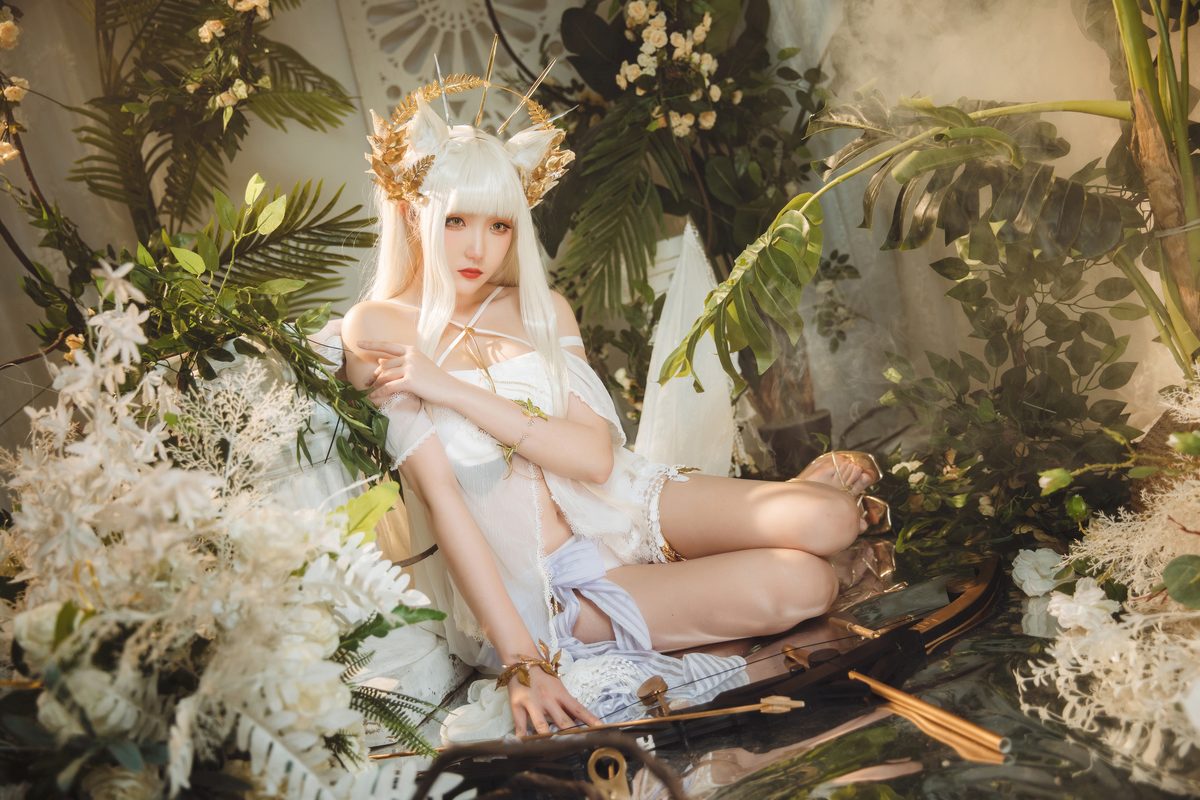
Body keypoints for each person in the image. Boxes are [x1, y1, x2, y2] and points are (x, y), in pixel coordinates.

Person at [341, 83, 880, 740]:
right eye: (456, 221)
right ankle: (762, 554)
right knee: (807, 585)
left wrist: (451, 389)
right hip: (562, 584)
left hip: (623, 501)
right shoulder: (377, 327)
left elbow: (595, 459)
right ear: (410, 212)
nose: (477, 249)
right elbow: (443, 500)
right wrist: (522, 663)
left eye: (499, 225)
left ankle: (784, 518)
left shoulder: (540, 309)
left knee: (833, 517)